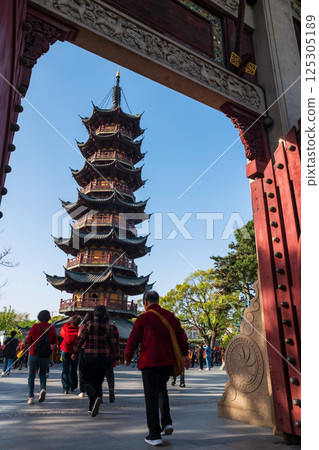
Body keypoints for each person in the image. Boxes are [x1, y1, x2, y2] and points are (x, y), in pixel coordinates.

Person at [125, 290, 190, 447]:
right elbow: (181, 335)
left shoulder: (143, 318)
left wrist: (128, 356)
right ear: (158, 301)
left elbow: (133, 339)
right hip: (167, 361)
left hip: (150, 361)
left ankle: (154, 434)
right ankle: (166, 422)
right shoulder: (170, 316)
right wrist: (186, 353)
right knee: (162, 391)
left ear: (145, 302)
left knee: (151, 397)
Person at [71, 305, 120, 417]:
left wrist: (74, 353)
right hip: (104, 358)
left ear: (94, 314)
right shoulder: (109, 327)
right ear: (104, 315)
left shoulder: (88, 325)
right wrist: (117, 358)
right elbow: (113, 344)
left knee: (85, 381)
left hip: (90, 356)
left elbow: (80, 340)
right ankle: (92, 407)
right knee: (98, 382)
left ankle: (94, 397)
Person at [27, 310, 57, 404]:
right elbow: (53, 341)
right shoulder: (51, 327)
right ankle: (42, 388)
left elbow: (29, 340)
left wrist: (35, 345)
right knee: (43, 374)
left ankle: (31, 397)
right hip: (45, 355)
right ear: (48, 317)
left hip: (34, 353)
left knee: (31, 376)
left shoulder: (35, 326)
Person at [60, 315, 81, 394]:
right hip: (75, 352)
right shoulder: (78, 330)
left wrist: (70, 320)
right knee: (73, 369)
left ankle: (65, 388)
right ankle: (73, 386)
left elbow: (62, 334)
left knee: (65, 369)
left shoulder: (66, 328)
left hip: (65, 350)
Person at [77, 312, 93, 398]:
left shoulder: (83, 326)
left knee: (82, 371)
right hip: (94, 350)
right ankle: (92, 390)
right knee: (92, 371)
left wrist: (75, 352)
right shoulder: (98, 326)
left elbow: (79, 339)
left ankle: (82, 390)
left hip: (83, 350)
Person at [105, 315, 119, 403]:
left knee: (97, 377)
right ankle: (111, 388)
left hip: (95, 355)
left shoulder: (91, 326)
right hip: (109, 355)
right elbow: (115, 342)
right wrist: (117, 357)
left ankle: (98, 396)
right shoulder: (112, 328)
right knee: (110, 375)